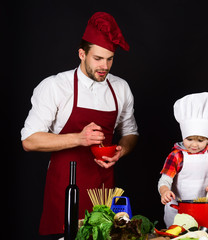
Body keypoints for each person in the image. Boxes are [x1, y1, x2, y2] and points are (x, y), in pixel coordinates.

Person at [21, 12, 138, 238]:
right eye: (98, 59)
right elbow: (29, 140)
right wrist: (79, 138)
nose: (105, 66)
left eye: (110, 59)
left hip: (105, 191)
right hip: (66, 189)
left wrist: (120, 151)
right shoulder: (56, 86)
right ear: (82, 54)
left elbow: (131, 133)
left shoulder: (120, 88)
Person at [158, 92, 208, 227]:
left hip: (203, 208)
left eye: (200, 140)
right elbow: (164, 180)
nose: (194, 145)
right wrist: (165, 191)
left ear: (207, 139)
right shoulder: (177, 155)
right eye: (189, 139)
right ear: (183, 136)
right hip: (178, 210)